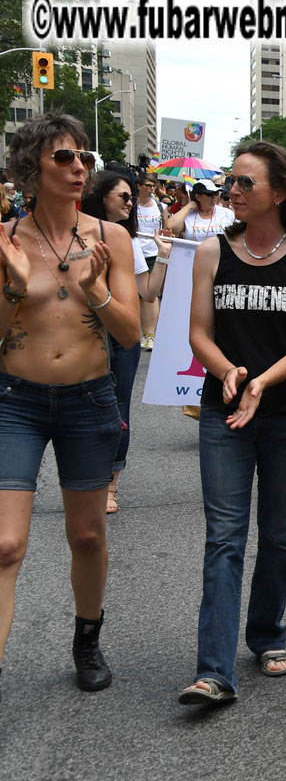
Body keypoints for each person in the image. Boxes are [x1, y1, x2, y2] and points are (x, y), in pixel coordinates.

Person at [177, 142, 286, 706]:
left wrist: (263, 382)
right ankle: (213, 670)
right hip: (225, 415)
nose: (231, 192)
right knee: (223, 538)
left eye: (244, 183)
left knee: (279, 535)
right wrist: (229, 373)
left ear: (279, 192)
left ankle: (267, 634)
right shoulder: (212, 252)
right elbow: (198, 332)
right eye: (229, 183)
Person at [0, 113, 140, 699]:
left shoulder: (111, 238)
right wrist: (12, 284)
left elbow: (130, 333)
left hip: (89, 399)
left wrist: (96, 290)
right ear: (31, 167)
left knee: (86, 536)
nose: (80, 167)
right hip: (16, 403)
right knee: (6, 544)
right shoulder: (6, 239)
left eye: (84, 157)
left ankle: (87, 638)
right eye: (64, 158)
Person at [80, 171, 171, 515]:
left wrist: (162, 255)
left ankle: (110, 483)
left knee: (118, 408)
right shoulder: (75, 237)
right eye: (124, 196)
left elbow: (147, 293)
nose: (131, 202)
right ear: (101, 197)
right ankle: (84, 478)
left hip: (122, 340)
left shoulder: (130, 242)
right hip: (85, 334)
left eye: (132, 197)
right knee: (81, 407)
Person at [134, 173, 166, 350]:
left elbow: (166, 229)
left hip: (153, 253)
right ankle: (143, 333)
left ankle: (151, 335)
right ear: (139, 186)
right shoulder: (131, 206)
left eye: (154, 185)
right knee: (139, 296)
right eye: (148, 185)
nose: (151, 189)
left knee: (151, 295)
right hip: (135, 252)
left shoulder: (161, 206)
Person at [167, 179, 236, 243]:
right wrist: (189, 206)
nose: (214, 197)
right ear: (198, 197)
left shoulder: (227, 213)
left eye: (216, 193)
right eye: (209, 194)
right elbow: (170, 228)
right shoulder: (188, 215)